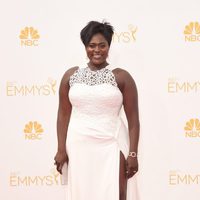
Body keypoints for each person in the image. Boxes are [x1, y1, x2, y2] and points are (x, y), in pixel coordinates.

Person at [54, 21, 140, 200]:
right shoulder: (71, 76)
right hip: (79, 145)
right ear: (85, 47)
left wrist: (132, 153)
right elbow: (63, 114)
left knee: (117, 192)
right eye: (91, 46)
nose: (97, 50)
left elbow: (133, 120)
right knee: (83, 193)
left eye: (102, 45)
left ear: (109, 46)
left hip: (112, 142)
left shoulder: (122, 77)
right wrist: (61, 148)